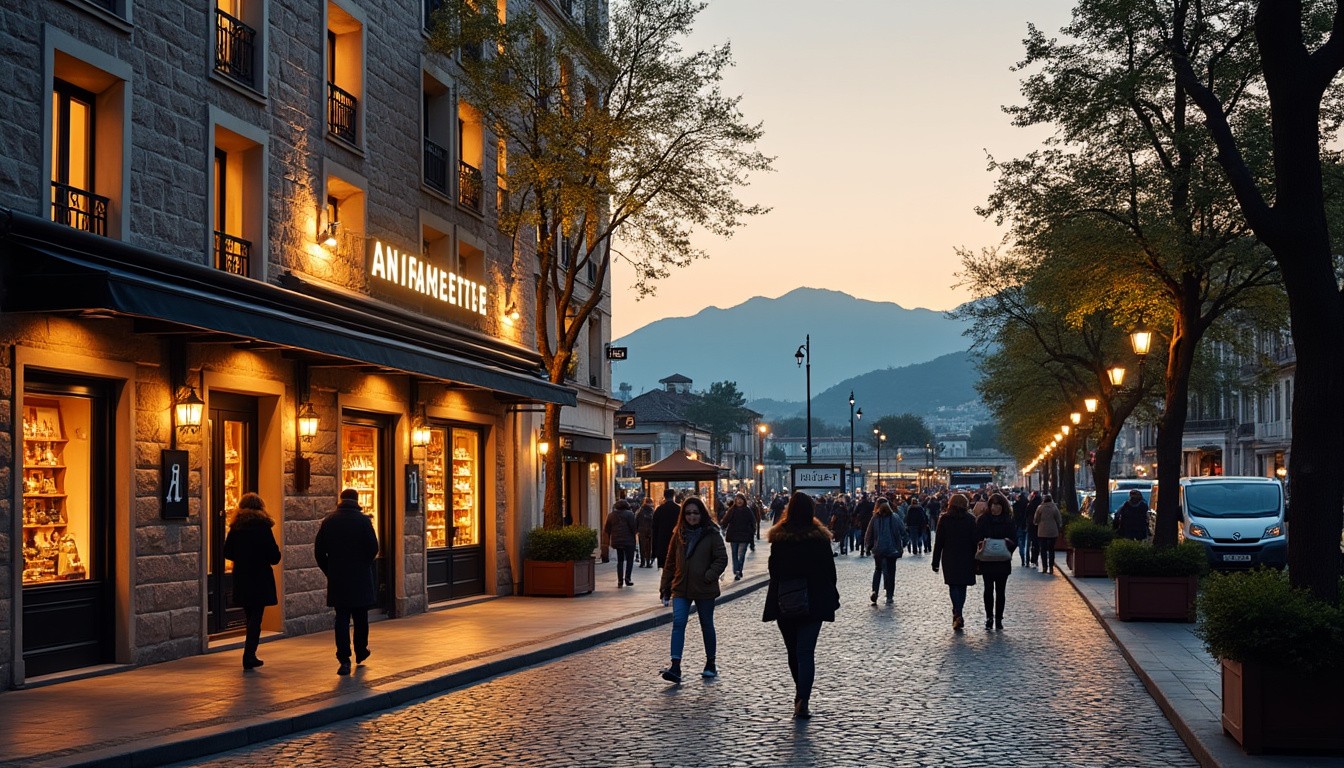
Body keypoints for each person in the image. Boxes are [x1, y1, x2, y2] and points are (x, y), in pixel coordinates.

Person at [762, 492, 839, 719]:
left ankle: (799, 692)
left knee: (793, 651)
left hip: (785, 599)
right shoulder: (820, 538)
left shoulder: (780, 538)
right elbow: (830, 572)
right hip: (814, 601)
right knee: (806, 652)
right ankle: (803, 698)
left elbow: (774, 570)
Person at [658, 496, 728, 682]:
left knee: (706, 624)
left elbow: (721, 559)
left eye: (695, 513)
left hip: (704, 588)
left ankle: (710, 663)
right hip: (681, 586)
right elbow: (670, 561)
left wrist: (708, 576)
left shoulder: (711, 533)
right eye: (688, 513)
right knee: (678, 623)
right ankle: (675, 666)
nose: (692, 516)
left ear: (702, 513)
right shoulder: (678, 534)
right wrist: (665, 585)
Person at [314, 488, 379, 675]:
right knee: (361, 618)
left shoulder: (329, 521)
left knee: (341, 619)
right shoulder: (364, 521)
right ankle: (361, 651)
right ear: (357, 501)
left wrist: (329, 570)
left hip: (338, 578)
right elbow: (373, 547)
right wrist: (364, 564)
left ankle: (344, 659)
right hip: (360, 577)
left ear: (341, 500)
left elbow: (319, 551)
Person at [222, 492, 281, 670]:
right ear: (260, 507)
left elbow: (227, 552)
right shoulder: (263, 527)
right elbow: (274, 556)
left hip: (243, 575)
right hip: (260, 576)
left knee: (250, 615)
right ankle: (249, 654)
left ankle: (250, 653)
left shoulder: (236, 528)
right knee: (256, 617)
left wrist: (242, 557)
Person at [930, 493, 977, 631]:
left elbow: (939, 542)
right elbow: (975, 541)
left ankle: (957, 612)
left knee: (953, 585)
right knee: (962, 586)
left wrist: (935, 562)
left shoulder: (944, 519)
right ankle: (959, 611)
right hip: (966, 556)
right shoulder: (970, 519)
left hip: (949, 556)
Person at [976, 492, 1018, 630]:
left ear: (1002, 506)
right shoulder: (983, 520)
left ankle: (999, 618)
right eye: (993, 504)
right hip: (987, 561)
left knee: (1001, 591)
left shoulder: (1008, 520)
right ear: (989, 505)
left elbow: (1014, 540)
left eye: (998, 505)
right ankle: (989, 617)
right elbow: (977, 538)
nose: (995, 507)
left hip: (1002, 561)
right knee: (988, 589)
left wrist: (1008, 545)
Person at [864, 497, 906, 605]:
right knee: (891, 572)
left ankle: (875, 591)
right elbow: (903, 531)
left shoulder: (875, 518)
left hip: (878, 549)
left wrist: (868, 546)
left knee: (878, 570)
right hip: (892, 550)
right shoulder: (895, 517)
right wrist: (903, 544)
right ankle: (889, 595)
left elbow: (869, 533)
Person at [604, 499, 638, 588]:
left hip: (616, 540)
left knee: (620, 560)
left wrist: (608, 540)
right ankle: (628, 578)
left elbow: (607, 529)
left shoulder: (611, 515)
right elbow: (633, 528)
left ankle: (620, 581)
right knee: (630, 560)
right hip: (628, 541)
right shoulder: (630, 514)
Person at [722, 492, 756, 580]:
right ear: (735, 501)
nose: (739, 501)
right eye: (737, 500)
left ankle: (738, 570)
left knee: (741, 554)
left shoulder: (747, 510)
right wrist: (723, 526)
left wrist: (752, 531)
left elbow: (753, 521)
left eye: (740, 499)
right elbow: (726, 520)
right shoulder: (732, 510)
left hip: (744, 535)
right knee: (734, 554)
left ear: (743, 500)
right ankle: (737, 570)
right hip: (734, 535)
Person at [1034, 493, 1064, 574]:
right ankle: (1051, 567)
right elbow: (1058, 519)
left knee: (1043, 550)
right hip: (1052, 531)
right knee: (1051, 549)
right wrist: (1059, 526)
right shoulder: (1054, 507)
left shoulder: (1040, 508)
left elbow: (1036, 519)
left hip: (1042, 531)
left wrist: (1037, 523)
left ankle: (1044, 567)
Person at [651, 488, 680, 569]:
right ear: (674, 496)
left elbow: (654, 529)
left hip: (662, 542)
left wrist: (654, 551)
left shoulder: (659, 509)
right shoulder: (679, 509)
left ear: (664, 496)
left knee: (665, 567)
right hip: (676, 541)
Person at [1012, 492, 1031, 566]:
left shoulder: (1015, 506)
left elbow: (1013, 518)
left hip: (1019, 526)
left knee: (1021, 544)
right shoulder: (1028, 505)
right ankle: (1027, 561)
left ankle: (1023, 559)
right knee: (1027, 544)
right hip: (1027, 526)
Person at [635, 497, 656, 567]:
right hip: (650, 531)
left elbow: (636, 521)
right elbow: (654, 522)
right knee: (649, 547)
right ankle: (647, 562)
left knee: (642, 546)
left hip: (641, 531)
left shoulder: (640, 511)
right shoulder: (652, 511)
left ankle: (642, 562)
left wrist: (636, 530)